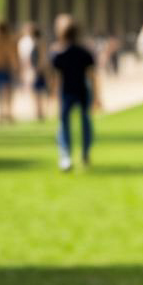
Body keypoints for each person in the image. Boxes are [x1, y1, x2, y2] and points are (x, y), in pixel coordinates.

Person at [50, 18, 100, 172]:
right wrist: (97, 96)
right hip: (83, 91)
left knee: (64, 125)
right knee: (86, 123)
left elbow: (56, 79)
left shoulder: (59, 55)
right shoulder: (85, 53)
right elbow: (92, 77)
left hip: (66, 92)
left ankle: (65, 155)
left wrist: (53, 97)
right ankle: (85, 153)